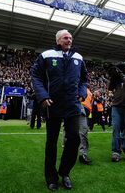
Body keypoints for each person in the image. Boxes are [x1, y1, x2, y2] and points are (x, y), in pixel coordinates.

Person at [31, 29, 87, 191]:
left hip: (72, 105)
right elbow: (36, 76)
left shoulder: (78, 57)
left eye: (70, 38)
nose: (69, 40)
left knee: (74, 139)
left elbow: (84, 79)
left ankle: (65, 173)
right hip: (52, 105)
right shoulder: (46, 55)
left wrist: (82, 93)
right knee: (52, 142)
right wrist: (42, 96)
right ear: (58, 41)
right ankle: (51, 177)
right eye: (65, 38)